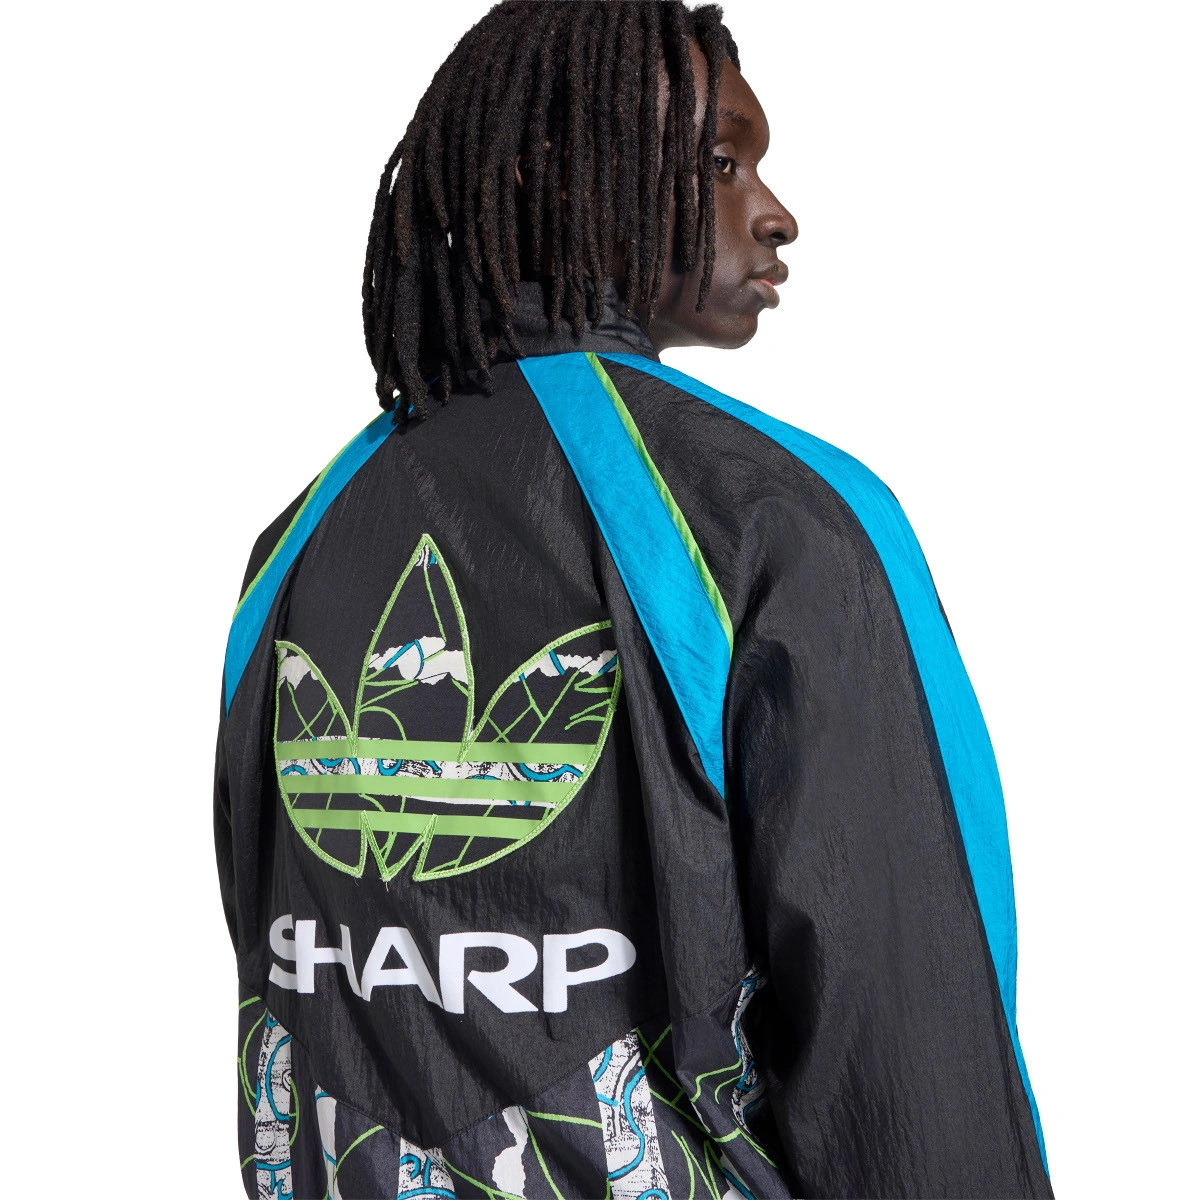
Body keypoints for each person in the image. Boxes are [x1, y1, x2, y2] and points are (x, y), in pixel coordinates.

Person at [215, 3, 1053, 1197]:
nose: (774, 211)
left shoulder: (300, 539)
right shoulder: (776, 518)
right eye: (720, 163)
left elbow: (280, 981)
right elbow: (909, 1032)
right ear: (556, 174)